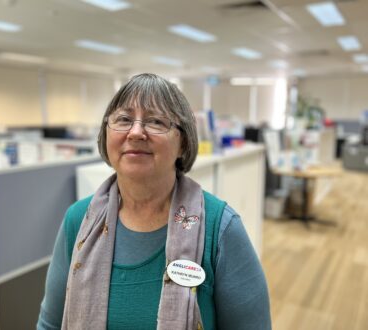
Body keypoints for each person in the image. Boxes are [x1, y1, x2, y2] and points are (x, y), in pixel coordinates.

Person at [37, 73, 271, 329]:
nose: (136, 132)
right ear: (106, 134)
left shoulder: (221, 229)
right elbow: (50, 324)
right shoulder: (79, 220)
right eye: (124, 119)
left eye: (156, 121)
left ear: (183, 142)